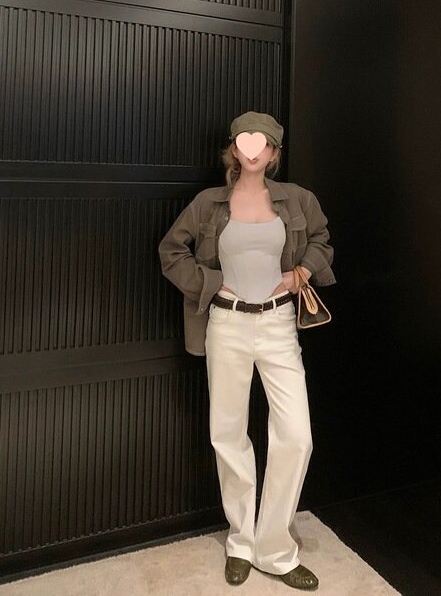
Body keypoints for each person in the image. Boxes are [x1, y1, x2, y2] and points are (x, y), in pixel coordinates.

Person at [158, 111, 336, 590]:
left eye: (264, 143)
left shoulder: (297, 199)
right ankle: (241, 541)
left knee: (296, 436)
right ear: (234, 149)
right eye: (245, 141)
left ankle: (274, 549)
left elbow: (322, 241)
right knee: (228, 432)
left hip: (278, 324)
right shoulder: (208, 203)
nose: (254, 150)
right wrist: (210, 283)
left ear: (274, 152)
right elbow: (171, 251)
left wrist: (300, 273)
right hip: (227, 324)